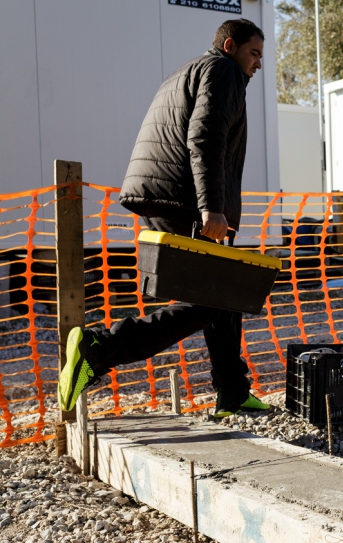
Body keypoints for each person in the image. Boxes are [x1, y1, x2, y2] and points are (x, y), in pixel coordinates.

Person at [58, 19, 270, 419]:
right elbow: (205, 137)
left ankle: (233, 391)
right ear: (230, 46)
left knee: (223, 296)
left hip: (162, 195)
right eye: (254, 53)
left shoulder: (187, 71)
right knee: (213, 300)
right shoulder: (222, 70)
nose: (258, 64)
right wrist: (212, 207)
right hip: (186, 201)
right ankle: (100, 347)